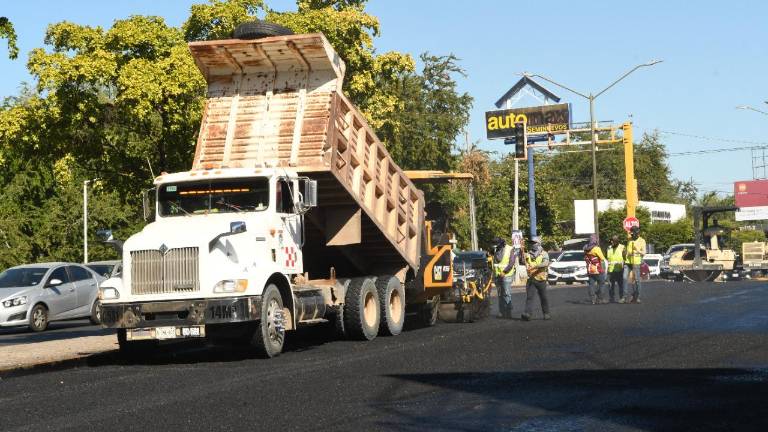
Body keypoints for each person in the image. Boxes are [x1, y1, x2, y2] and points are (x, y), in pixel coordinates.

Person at [521, 236, 551, 321]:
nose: (532, 244)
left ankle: (546, 313)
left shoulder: (544, 253)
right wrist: (521, 252)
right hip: (532, 279)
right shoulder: (528, 254)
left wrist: (534, 267)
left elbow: (545, 263)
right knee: (529, 297)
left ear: (538, 244)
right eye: (531, 243)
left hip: (541, 279)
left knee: (543, 297)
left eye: (533, 243)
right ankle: (527, 314)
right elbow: (523, 261)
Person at [492, 237, 517, 318]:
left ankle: (508, 312)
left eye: (497, 245)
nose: (495, 247)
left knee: (506, 293)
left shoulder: (510, 249)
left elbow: (511, 263)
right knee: (500, 294)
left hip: (507, 275)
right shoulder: (496, 249)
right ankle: (502, 312)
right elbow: (495, 264)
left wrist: (504, 271)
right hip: (497, 276)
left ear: (502, 244)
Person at [624, 226, 646, 303]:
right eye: (631, 233)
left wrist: (637, 251)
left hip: (636, 262)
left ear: (636, 233)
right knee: (624, 278)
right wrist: (627, 253)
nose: (631, 235)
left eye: (632, 233)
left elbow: (644, 253)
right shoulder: (629, 240)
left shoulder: (642, 241)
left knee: (636, 280)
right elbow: (627, 250)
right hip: (628, 262)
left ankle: (637, 296)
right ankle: (625, 296)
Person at [583, 234, 607, 304]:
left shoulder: (585, 248)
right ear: (595, 240)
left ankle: (593, 299)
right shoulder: (596, 248)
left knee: (591, 284)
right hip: (597, 269)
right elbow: (602, 258)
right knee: (602, 283)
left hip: (590, 270)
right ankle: (600, 299)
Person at [605, 235, 626, 303]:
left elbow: (625, 258)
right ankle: (611, 298)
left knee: (621, 285)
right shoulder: (609, 248)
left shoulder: (622, 247)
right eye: (611, 241)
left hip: (620, 269)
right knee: (611, 285)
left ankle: (622, 298)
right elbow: (607, 258)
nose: (612, 243)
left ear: (617, 242)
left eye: (613, 241)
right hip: (611, 270)